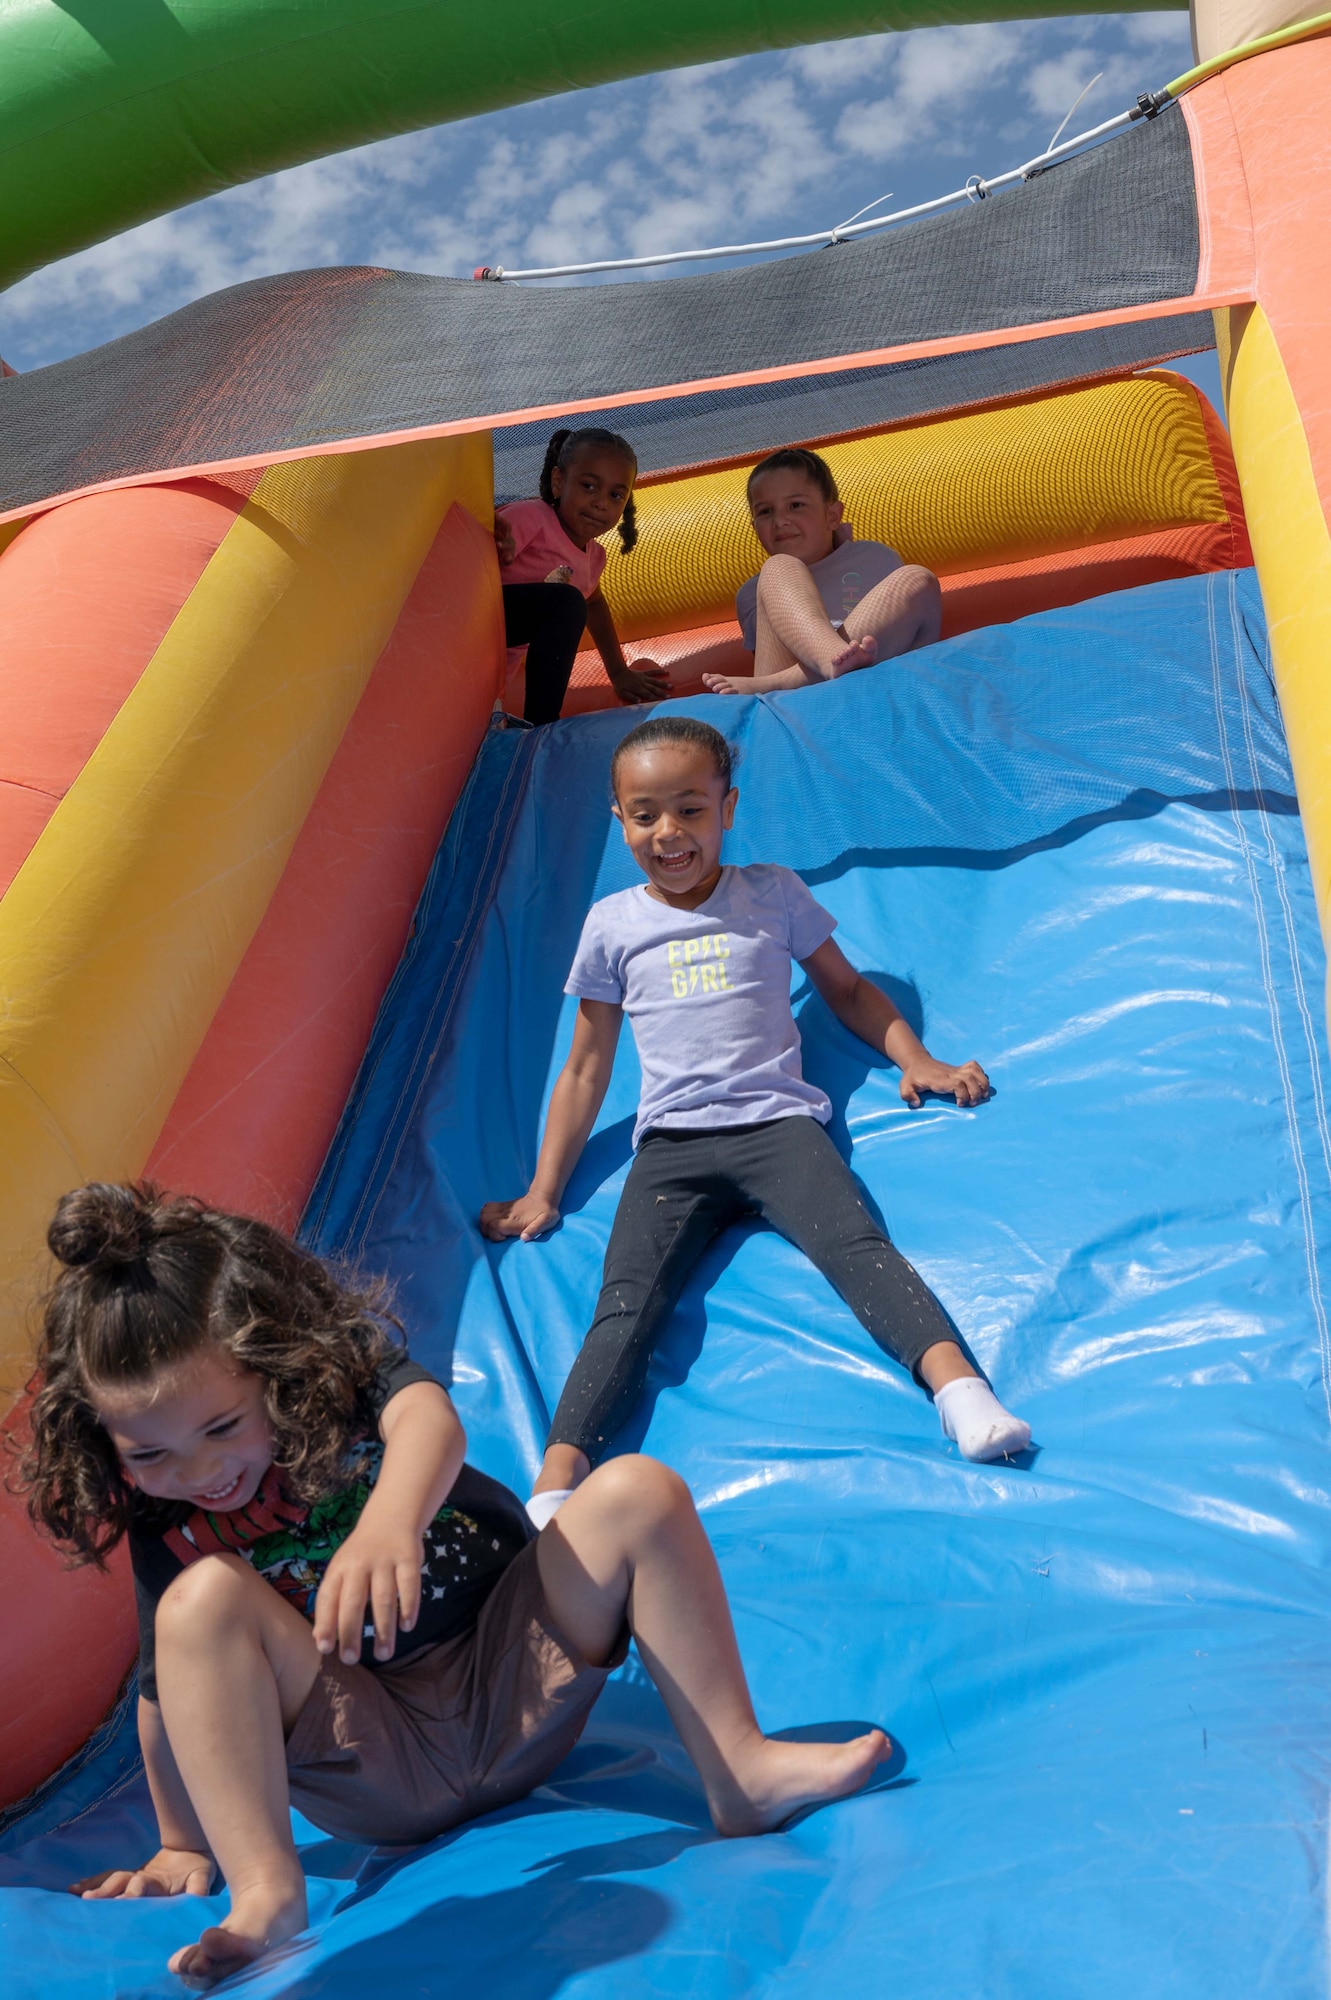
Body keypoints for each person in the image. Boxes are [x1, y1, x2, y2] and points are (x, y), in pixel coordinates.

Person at [20, 1182, 888, 1987]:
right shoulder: (167, 1525)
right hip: (372, 1755)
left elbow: (428, 1419)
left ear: (273, 1365)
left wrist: (390, 1521)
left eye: (220, 1428)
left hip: (512, 1685)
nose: (201, 1471)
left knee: (636, 1491)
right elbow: (167, 1688)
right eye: (149, 1454)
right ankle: (268, 1895)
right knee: (199, 1603)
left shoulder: (339, 1390)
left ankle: (738, 1769)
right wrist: (178, 1845)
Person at [480, 715, 1030, 1525]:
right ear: (619, 821)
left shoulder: (769, 893)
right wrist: (543, 1188)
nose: (668, 833)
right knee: (628, 1301)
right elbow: (587, 1065)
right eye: (644, 814)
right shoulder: (613, 925)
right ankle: (558, 1480)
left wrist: (916, 1059)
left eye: (690, 810)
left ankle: (960, 1392)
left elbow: (843, 989)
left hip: (778, 1128)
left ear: (726, 809)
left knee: (858, 1250)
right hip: (671, 1149)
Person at [703, 447, 942, 698]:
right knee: (778, 566)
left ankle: (805, 673)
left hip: (879, 686)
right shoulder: (754, 592)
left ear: (832, 516)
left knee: (918, 578)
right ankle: (829, 658)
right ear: (754, 528)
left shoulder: (873, 557)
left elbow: (903, 630)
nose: (780, 520)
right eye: (765, 511)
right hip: (797, 704)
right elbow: (770, 656)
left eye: (795, 505)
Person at [496, 426, 670, 723]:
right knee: (564, 603)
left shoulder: (594, 557)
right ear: (558, 482)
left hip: (492, 673)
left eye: (616, 495)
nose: (601, 502)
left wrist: (618, 672)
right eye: (588, 486)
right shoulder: (533, 517)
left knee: (569, 602)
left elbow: (594, 603)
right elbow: (488, 534)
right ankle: (543, 724)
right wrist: (495, 542)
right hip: (485, 623)